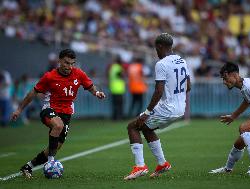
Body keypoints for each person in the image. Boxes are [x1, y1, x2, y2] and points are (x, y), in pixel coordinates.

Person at [11, 49, 106, 178]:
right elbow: (33, 92)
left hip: (67, 113)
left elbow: (89, 86)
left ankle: (28, 167)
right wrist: (19, 109)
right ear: (59, 61)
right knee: (58, 126)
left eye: (72, 63)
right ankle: (51, 162)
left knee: (55, 146)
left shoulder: (79, 74)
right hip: (49, 108)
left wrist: (97, 93)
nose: (69, 66)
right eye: (66, 63)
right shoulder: (49, 76)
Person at [124, 33, 191, 180]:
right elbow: (188, 86)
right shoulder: (182, 61)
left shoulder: (161, 64)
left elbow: (159, 91)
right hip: (180, 108)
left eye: (156, 48)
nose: (156, 52)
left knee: (133, 126)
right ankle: (162, 164)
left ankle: (140, 166)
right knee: (147, 129)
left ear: (160, 46)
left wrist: (147, 112)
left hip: (168, 108)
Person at [108, 55, 126, 120]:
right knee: (119, 104)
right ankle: (119, 117)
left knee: (115, 104)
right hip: (118, 89)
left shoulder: (112, 67)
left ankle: (114, 117)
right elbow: (121, 75)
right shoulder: (118, 67)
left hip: (113, 88)